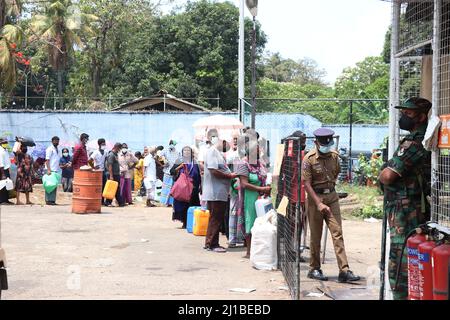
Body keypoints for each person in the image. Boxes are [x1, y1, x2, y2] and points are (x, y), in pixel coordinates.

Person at [378, 97, 432, 300]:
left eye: (408, 114)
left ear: (421, 116)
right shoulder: (419, 139)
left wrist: (382, 173)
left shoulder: (416, 142)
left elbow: (388, 175)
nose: (403, 117)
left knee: (400, 261)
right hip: (405, 207)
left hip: (406, 211)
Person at [302, 128, 360, 283]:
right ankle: (314, 268)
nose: (327, 145)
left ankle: (344, 270)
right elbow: (306, 185)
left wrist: (330, 193)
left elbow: (335, 175)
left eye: (330, 142)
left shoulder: (334, 157)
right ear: (316, 142)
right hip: (315, 199)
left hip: (332, 197)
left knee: (337, 232)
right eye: (324, 143)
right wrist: (319, 203)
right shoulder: (309, 159)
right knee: (316, 235)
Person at [235, 135, 271, 257]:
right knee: (250, 222)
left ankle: (260, 249)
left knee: (262, 221)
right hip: (249, 197)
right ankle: (249, 251)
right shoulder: (243, 164)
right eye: (257, 149)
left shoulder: (260, 164)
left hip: (261, 197)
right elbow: (244, 184)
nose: (259, 151)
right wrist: (261, 189)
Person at [202, 130, 237, 253]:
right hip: (215, 191)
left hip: (219, 190)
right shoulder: (212, 152)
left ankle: (210, 242)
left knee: (215, 217)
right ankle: (212, 244)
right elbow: (213, 170)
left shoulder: (217, 153)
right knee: (215, 218)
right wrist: (229, 176)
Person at [170, 146, 201, 228]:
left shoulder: (194, 162)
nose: (187, 152)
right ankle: (184, 222)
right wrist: (179, 167)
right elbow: (172, 171)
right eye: (185, 151)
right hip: (182, 188)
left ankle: (191, 222)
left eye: (188, 151)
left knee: (192, 205)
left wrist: (199, 186)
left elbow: (198, 174)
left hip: (193, 187)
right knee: (182, 205)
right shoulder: (179, 161)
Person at [105, 143, 125, 207]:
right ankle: (108, 202)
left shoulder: (115, 155)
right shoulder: (111, 155)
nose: (119, 150)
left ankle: (120, 202)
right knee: (111, 188)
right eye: (119, 149)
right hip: (112, 174)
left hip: (116, 174)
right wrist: (111, 176)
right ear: (116, 147)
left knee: (116, 188)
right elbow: (110, 165)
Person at [89, 138, 108, 205]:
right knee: (96, 187)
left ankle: (102, 201)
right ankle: (96, 200)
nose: (104, 145)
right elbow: (90, 160)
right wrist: (93, 167)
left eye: (104, 144)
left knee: (103, 186)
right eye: (103, 144)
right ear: (99, 145)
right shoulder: (96, 152)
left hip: (103, 171)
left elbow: (106, 160)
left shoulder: (105, 152)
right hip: (96, 172)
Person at [44, 136, 61, 205]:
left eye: (58, 140)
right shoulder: (49, 149)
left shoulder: (58, 149)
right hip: (50, 170)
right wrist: (48, 169)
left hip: (55, 170)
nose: (57, 142)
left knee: (54, 186)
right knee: (49, 185)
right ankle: (48, 200)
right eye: (55, 140)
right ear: (52, 141)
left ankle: (52, 200)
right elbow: (47, 160)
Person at [0, 137, 13, 204]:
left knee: (7, 184)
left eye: (6, 142)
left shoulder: (6, 150)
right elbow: (1, 163)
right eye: (4, 142)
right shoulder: (0, 151)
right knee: (2, 185)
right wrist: (3, 174)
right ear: (1, 143)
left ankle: (6, 200)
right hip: (2, 170)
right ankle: (2, 200)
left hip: (6, 170)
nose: (6, 143)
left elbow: (7, 161)